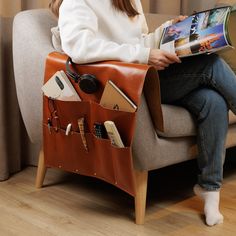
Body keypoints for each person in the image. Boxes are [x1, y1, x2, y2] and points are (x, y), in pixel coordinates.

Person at [49, 0, 236, 226]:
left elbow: (140, 41)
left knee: (213, 101)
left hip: (150, 74)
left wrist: (169, 30)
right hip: (127, 83)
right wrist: (143, 55)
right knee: (211, 65)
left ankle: (209, 188)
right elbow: (80, 48)